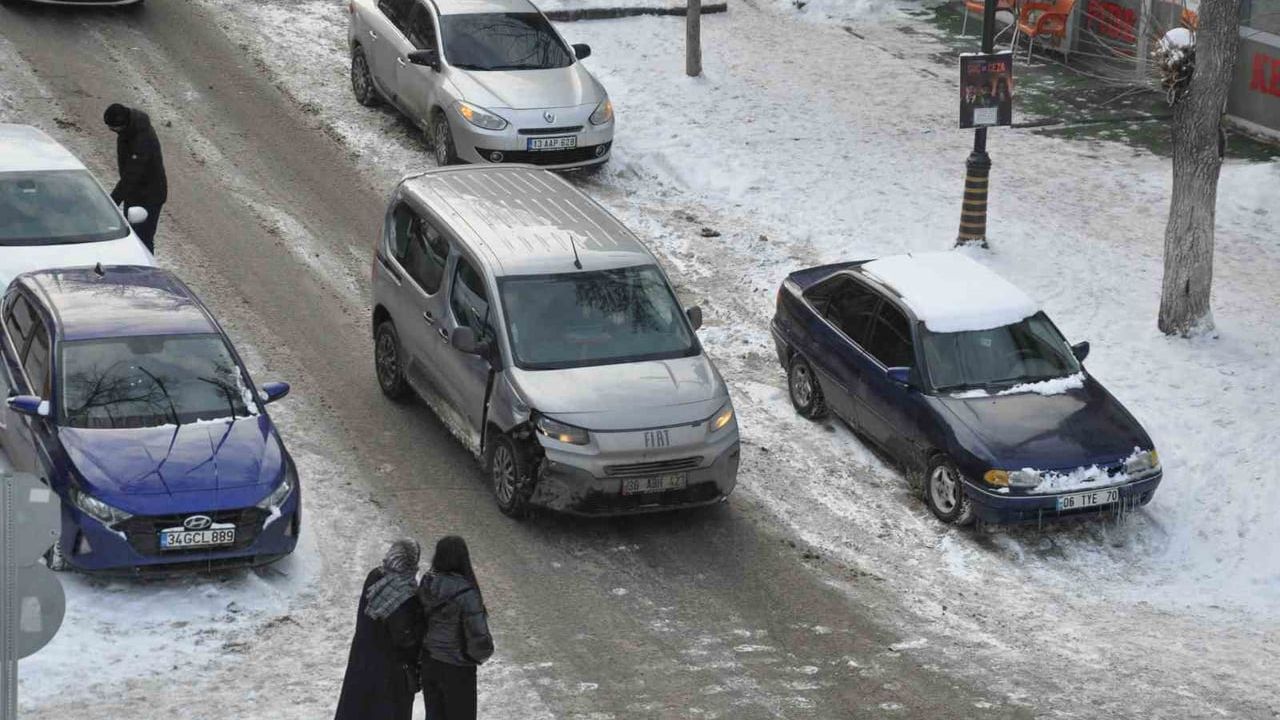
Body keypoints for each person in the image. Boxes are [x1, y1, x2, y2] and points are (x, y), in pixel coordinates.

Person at [334, 539, 425, 720]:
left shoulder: (375, 576)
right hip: (389, 673)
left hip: (362, 660)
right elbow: (404, 637)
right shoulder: (405, 593)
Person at [419, 536, 494, 720]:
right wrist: (477, 656)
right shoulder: (466, 593)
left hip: (430, 663)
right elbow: (479, 640)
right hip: (457, 668)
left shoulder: (427, 583)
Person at [103, 103, 167, 254]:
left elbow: (132, 173)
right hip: (134, 193)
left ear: (123, 124)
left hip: (149, 196)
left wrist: (112, 202)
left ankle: (146, 272)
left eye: (113, 128)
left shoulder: (141, 139)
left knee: (142, 240)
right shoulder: (129, 131)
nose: (111, 131)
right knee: (131, 237)